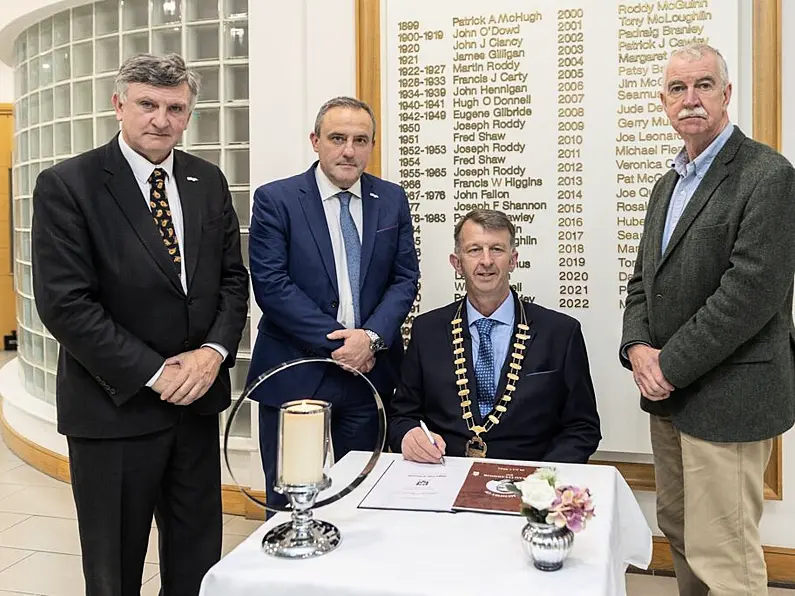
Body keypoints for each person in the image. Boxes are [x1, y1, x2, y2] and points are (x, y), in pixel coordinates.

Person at [31, 54, 249, 596]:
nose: (161, 119)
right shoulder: (69, 184)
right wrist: (156, 374)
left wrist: (212, 354)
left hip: (196, 404)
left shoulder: (207, 179)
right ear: (119, 105)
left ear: (188, 113)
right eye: (147, 104)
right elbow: (66, 304)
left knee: (197, 557)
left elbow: (231, 280)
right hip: (114, 410)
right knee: (115, 569)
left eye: (176, 108)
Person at [620, 44, 795, 596]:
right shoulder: (666, 185)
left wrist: (667, 364)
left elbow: (750, 293)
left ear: (726, 94)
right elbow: (644, 281)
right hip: (671, 397)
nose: (690, 99)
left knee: (725, 552)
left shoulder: (767, 175)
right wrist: (636, 348)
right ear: (664, 102)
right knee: (682, 532)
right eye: (677, 89)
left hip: (730, 397)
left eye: (702, 85)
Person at [248, 96, 420, 508]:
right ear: (315, 141)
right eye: (337, 138)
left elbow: (404, 279)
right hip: (296, 372)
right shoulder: (277, 200)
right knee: (291, 501)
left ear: (372, 145)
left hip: (369, 377)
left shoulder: (391, 199)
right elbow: (272, 285)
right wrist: (344, 345)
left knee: (359, 499)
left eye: (361, 140)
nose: (349, 150)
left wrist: (372, 339)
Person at [389, 209, 600, 463]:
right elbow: (401, 415)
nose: (486, 261)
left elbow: (582, 427)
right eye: (474, 250)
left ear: (513, 260)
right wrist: (408, 435)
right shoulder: (427, 330)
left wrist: (543, 480)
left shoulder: (560, 333)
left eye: (497, 249)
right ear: (457, 263)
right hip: (444, 473)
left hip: (527, 482)